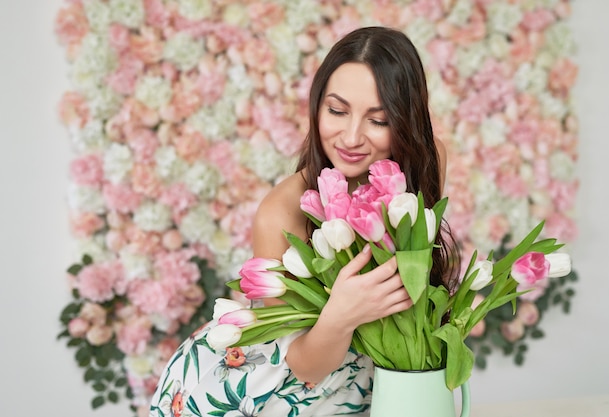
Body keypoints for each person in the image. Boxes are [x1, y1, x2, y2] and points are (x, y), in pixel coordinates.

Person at [149, 26, 458, 417]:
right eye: (337, 110)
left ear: (406, 121)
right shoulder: (282, 212)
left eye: (377, 120)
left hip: (366, 382)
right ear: (317, 106)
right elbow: (300, 364)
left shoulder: (426, 164)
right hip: (264, 388)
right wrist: (341, 314)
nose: (350, 136)